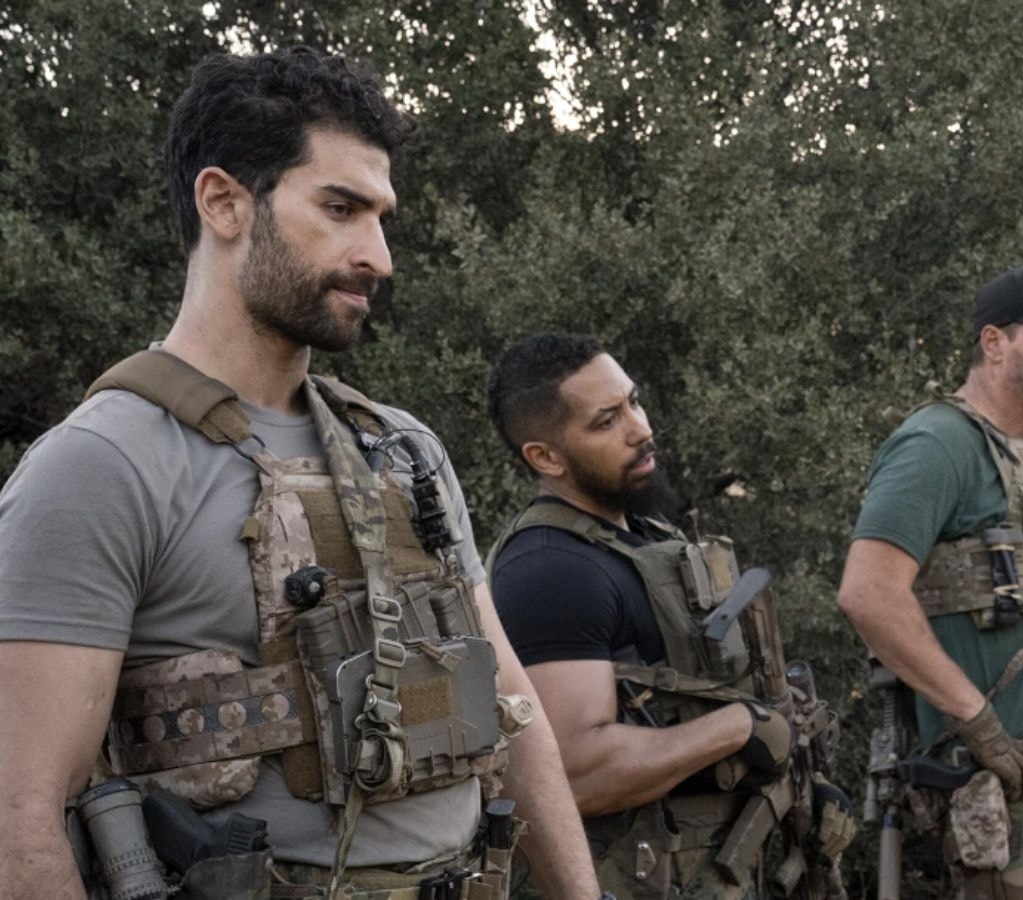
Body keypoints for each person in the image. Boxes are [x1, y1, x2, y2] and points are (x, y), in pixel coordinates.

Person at [0, 48, 599, 900]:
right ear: (225, 203)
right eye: (342, 208)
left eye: (382, 217)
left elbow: (511, 704)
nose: (379, 256)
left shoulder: (404, 449)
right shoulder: (99, 466)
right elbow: (22, 815)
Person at [485, 333, 855, 900]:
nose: (640, 428)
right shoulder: (549, 570)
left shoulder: (648, 536)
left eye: (634, 401)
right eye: (607, 421)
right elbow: (575, 772)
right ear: (546, 457)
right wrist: (737, 728)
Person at [837, 263, 1023, 898]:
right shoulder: (937, 444)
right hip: (1006, 785)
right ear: (995, 343)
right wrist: (977, 719)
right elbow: (868, 592)